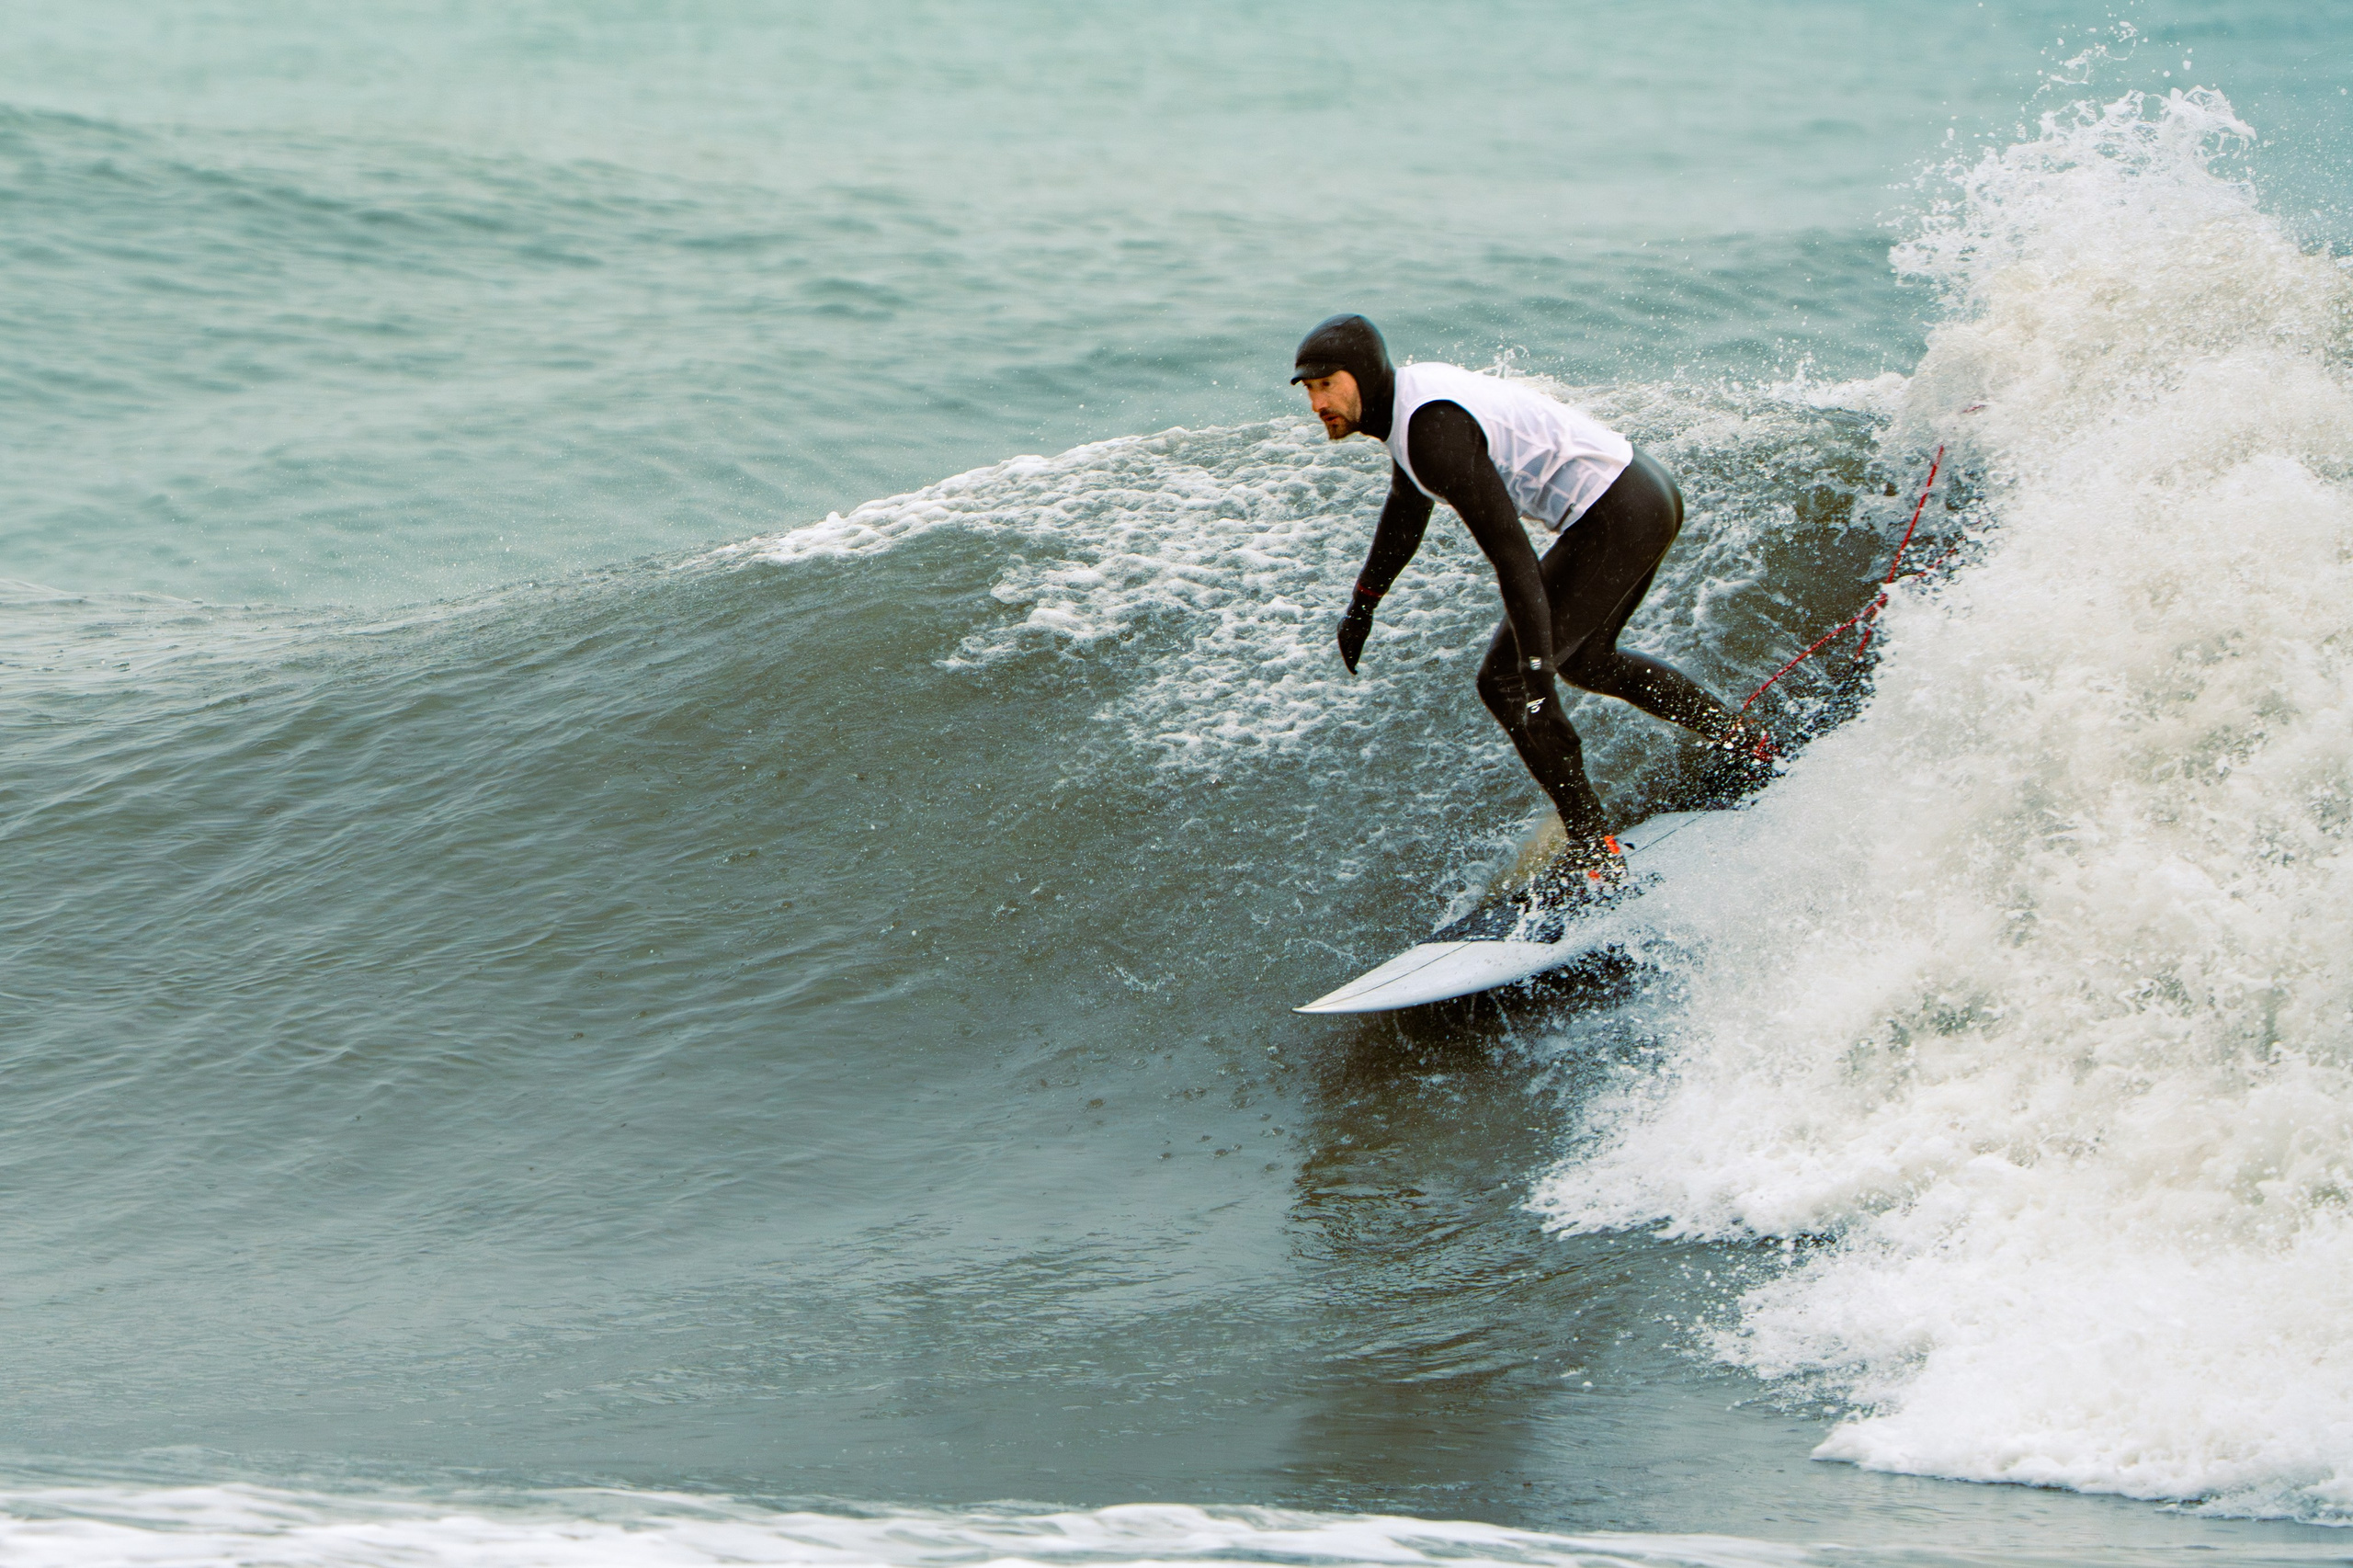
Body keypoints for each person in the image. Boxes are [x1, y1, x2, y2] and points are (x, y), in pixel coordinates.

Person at [1291, 312, 1768, 895]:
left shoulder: (1435, 432)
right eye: (1309, 389)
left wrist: (1538, 683)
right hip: (1640, 490)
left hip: (1616, 512)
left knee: (1504, 681)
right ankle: (1746, 741)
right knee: (1589, 660)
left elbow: (1515, 561)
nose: (1318, 403)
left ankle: (1594, 848)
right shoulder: (1408, 411)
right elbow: (1406, 507)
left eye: (1327, 385)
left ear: (1363, 375)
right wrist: (1363, 604)